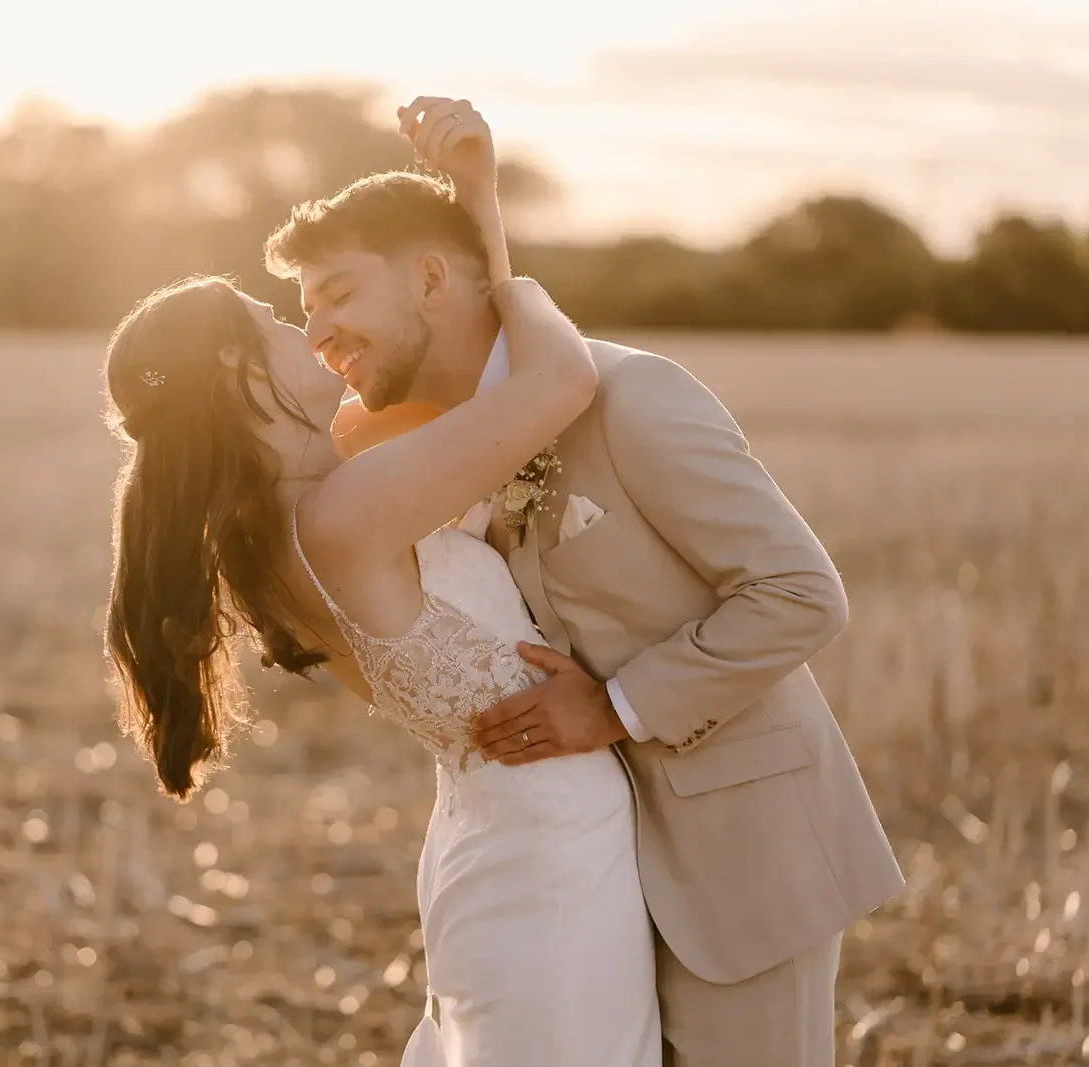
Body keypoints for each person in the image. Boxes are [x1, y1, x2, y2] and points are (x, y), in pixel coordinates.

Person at [263, 96, 905, 1067]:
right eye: (304, 309)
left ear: (431, 276)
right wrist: (474, 196)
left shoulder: (633, 398)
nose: (319, 330)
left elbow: (799, 592)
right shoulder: (447, 442)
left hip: (740, 856)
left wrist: (614, 707)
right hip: (591, 875)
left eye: (336, 292)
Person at [104, 101, 660, 1065]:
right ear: (239, 372)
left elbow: (470, 375)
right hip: (547, 867)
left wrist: (473, 206)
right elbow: (556, 383)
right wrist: (515, 278)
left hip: (517, 844)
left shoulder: (288, 514)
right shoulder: (343, 514)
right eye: (280, 320)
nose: (311, 331)